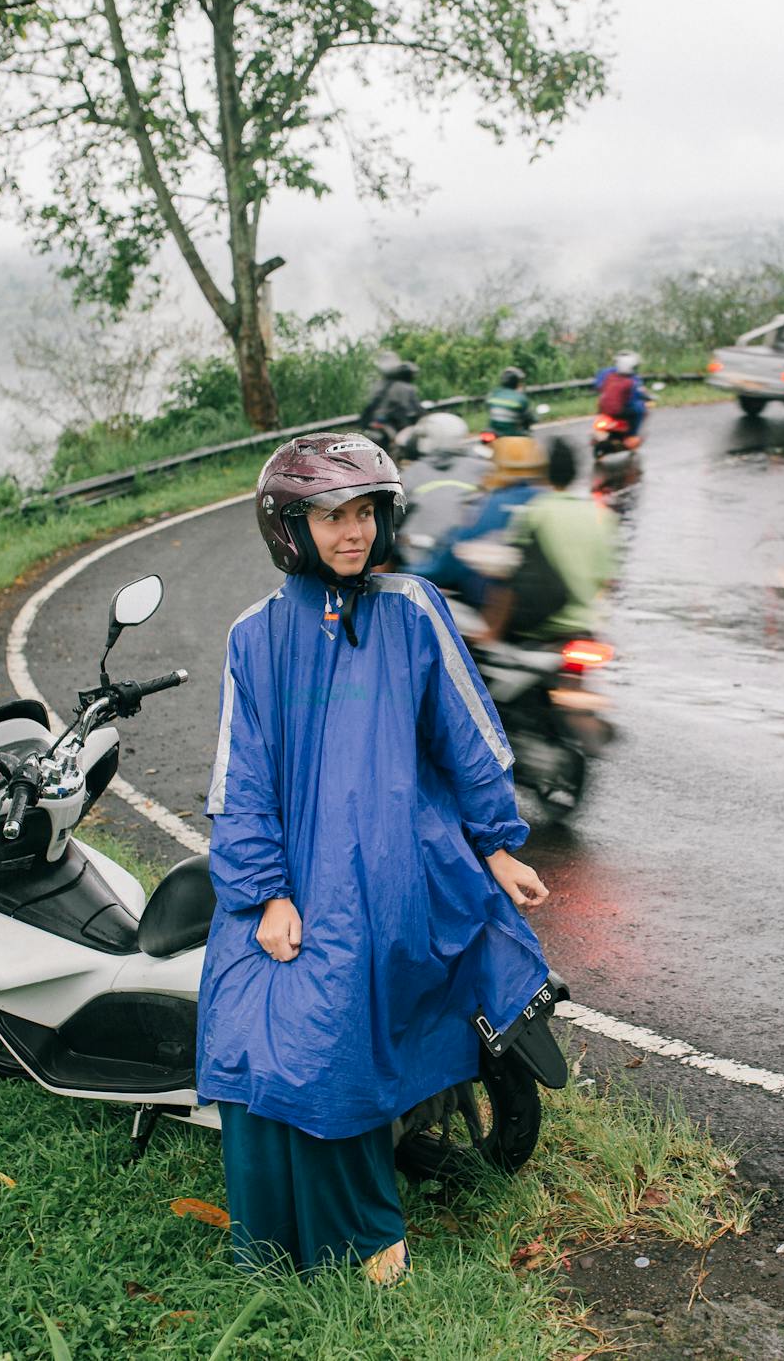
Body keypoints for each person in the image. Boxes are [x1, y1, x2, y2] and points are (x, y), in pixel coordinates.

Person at [199, 432, 553, 1285]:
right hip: (294, 877)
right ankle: (275, 1245)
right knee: (247, 1028)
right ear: (290, 525)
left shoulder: (412, 609)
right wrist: (262, 896)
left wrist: (499, 844)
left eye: (364, 512)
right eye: (330, 515)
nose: (353, 531)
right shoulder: (256, 636)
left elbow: (467, 736)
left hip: (395, 872)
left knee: (330, 1043)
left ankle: (365, 1238)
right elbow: (240, 779)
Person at [482, 439, 620, 645]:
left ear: (543, 472)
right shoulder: (603, 516)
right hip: (585, 628)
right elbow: (609, 581)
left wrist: (491, 633)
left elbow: (510, 574)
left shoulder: (534, 512)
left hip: (539, 629)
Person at [410, 435, 550, 604]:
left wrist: (408, 573)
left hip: (490, 607)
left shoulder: (489, 504)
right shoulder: (551, 501)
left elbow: (451, 560)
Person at [359, 355, 423, 444]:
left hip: (376, 423)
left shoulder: (380, 385)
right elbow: (416, 410)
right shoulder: (406, 388)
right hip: (391, 427)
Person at [594, 351, 648, 436]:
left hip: (604, 408)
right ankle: (632, 435)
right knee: (640, 409)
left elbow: (598, 386)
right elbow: (638, 393)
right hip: (622, 409)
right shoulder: (632, 379)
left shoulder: (607, 374)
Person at [485, 367, 535, 438]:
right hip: (512, 434)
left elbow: (488, 408)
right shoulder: (520, 398)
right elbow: (529, 417)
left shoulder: (493, 394)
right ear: (515, 381)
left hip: (493, 433)